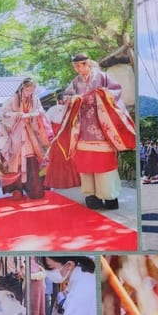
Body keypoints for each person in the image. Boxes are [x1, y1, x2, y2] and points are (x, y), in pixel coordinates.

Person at [55, 54, 133, 210]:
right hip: (83, 128)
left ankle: (110, 196)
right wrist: (72, 99)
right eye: (75, 67)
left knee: (104, 164)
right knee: (86, 164)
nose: (77, 69)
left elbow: (116, 91)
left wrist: (100, 94)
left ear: (87, 64)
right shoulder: (76, 82)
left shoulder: (103, 77)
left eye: (79, 66)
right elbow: (67, 96)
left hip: (101, 126)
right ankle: (92, 196)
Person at [0, 78, 51, 200]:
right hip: (16, 134)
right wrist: (16, 115)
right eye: (27, 90)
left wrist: (32, 115)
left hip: (30, 132)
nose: (29, 92)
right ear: (21, 88)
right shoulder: (11, 101)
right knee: (15, 160)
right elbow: (3, 115)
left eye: (31, 90)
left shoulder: (35, 100)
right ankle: (16, 189)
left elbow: (41, 111)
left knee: (32, 158)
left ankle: (33, 188)